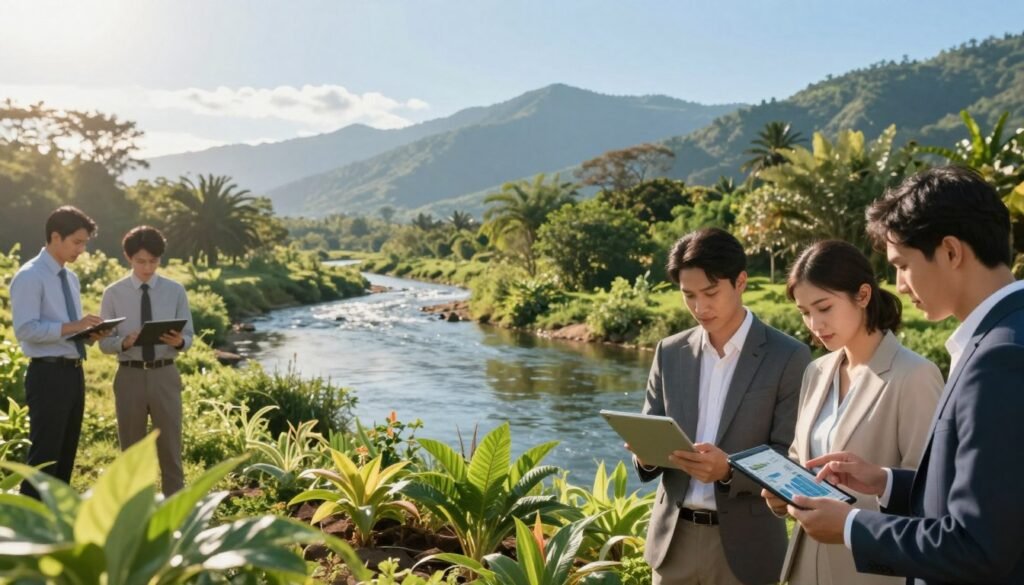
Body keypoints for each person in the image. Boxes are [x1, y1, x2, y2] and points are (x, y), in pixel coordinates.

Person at [790, 166, 1024, 584]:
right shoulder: (1001, 336)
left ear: (951, 252)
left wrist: (849, 526)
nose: (897, 285)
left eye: (902, 265)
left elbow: (978, 545)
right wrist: (884, 482)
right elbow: (992, 496)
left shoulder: (1000, 355)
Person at [633, 227, 812, 585]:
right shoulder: (669, 352)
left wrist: (728, 471)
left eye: (711, 293)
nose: (700, 307)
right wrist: (644, 453)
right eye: (689, 296)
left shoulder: (788, 356)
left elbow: (789, 456)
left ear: (741, 281)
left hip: (747, 551)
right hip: (673, 545)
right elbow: (651, 426)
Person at [762, 240, 943, 585]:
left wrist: (851, 519)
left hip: (872, 573)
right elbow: (801, 460)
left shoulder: (915, 375)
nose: (814, 323)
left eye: (824, 307)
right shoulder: (816, 371)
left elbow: (930, 493)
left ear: (862, 295)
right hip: (804, 569)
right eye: (804, 312)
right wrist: (780, 494)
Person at [9, 206, 106, 497]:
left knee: (65, 455)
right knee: (44, 459)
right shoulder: (30, 276)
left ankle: (56, 530)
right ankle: (28, 530)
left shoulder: (70, 279)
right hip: (47, 374)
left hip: (73, 373)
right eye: (77, 242)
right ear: (55, 236)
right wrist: (72, 326)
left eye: (85, 243)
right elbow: (26, 329)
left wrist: (88, 334)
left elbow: (68, 330)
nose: (82, 249)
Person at [99, 226, 194, 495]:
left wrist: (179, 342)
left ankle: (174, 511)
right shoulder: (113, 293)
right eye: (141, 261)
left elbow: (189, 336)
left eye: (153, 261)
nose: (148, 267)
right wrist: (123, 342)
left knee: (171, 449)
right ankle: (134, 512)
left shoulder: (175, 291)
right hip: (129, 375)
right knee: (131, 451)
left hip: (165, 375)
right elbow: (103, 344)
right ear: (128, 258)